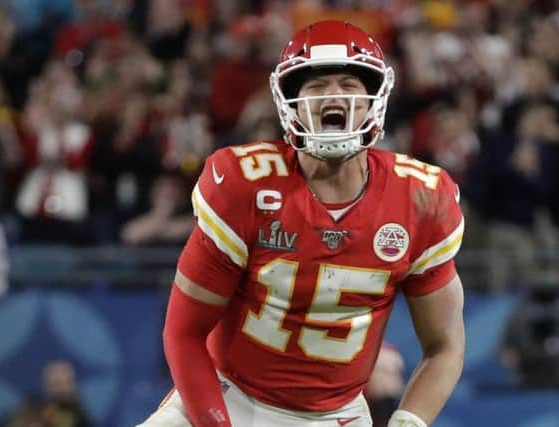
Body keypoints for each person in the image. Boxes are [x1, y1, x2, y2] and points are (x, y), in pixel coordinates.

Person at [137, 20, 465, 427]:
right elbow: (183, 335)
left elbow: (445, 346)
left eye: (348, 84)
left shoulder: (419, 199)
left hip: (335, 416)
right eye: (316, 86)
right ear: (288, 100)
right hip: (228, 395)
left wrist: (409, 421)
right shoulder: (245, 185)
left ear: (374, 98)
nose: (334, 97)